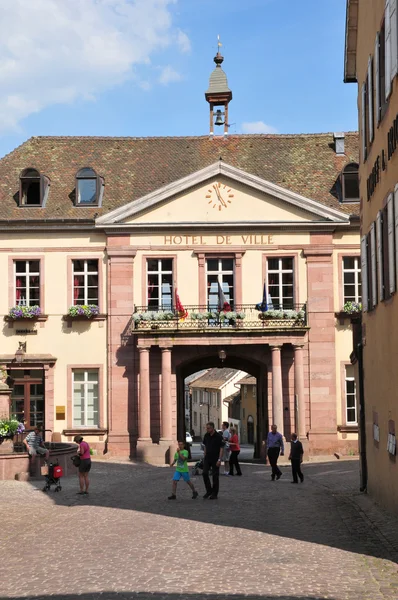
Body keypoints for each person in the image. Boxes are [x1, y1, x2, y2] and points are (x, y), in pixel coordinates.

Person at [202, 422, 223, 499]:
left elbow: (221, 448)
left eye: (208, 428)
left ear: (212, 428)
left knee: (215, 476)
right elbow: (205, 446)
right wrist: (204, 457)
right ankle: (209, 490)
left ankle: (214, 493)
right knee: (204, 473)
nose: (207, 429)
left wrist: (219, 459)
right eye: (206, 428)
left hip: (215, 458)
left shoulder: (218, 436)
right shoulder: (206, 435)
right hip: (207, 458)